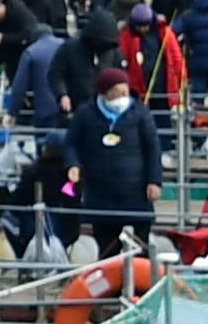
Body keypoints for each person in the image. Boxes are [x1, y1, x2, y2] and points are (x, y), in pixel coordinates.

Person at [66, 64, 163, 254]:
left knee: (141, 246)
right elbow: (71, 143)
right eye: (117, 93)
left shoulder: (140, 113)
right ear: (104, 93)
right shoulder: (86, 114)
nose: (122, 98)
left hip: (136, 192)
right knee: (106, 247)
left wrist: (154, 181)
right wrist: (73, 164)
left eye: (125, 92)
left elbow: (153, 148)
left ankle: (141, 283)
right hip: (100, 191)